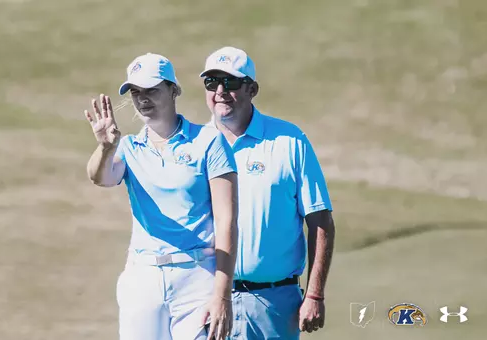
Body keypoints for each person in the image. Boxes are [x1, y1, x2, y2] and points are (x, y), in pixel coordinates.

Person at [84, 52, 238, 340]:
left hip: (198, 275)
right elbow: (100, 177)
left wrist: (222, 293)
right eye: (136, 92)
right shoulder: (128, 146)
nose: (143, 99)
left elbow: (226, 220)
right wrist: (105, 147)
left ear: (173, 90)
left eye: (152, 90)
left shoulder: (208, 142)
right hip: (143, 277)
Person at [199, 46, 336, 339]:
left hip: (274, 303)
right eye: (212, 82)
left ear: (252, 88)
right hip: (204, 298)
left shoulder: (289, 141)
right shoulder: (194, 144)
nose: (221, 91)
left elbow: (320, 220)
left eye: (231, 82)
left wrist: (314, 295)